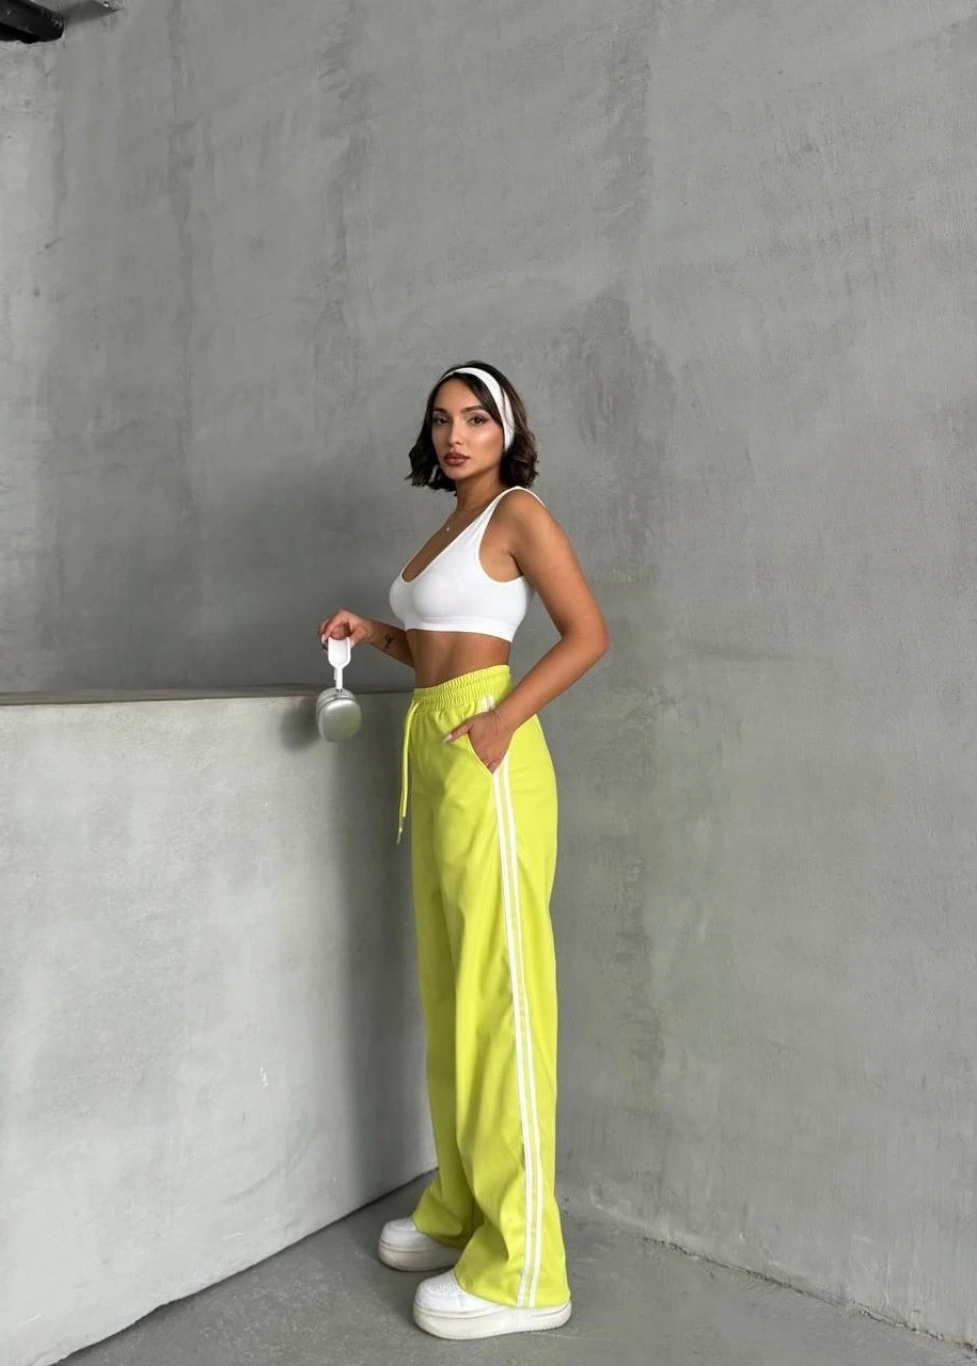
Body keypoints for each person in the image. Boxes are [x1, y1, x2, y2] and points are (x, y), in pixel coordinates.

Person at [318, 361, 609, 1341]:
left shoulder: (519, 513)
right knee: (450, 995)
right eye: (442, 419)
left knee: (501, 1000)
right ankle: (460, 1207)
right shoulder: (452, 523)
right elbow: (446, 640)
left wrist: (501, 722)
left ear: (507, 430)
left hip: (488, 754)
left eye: (477, 418)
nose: (456, 434)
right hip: (433, 752)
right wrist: (376, 632)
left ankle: (525, 1271)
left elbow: (586, 634)